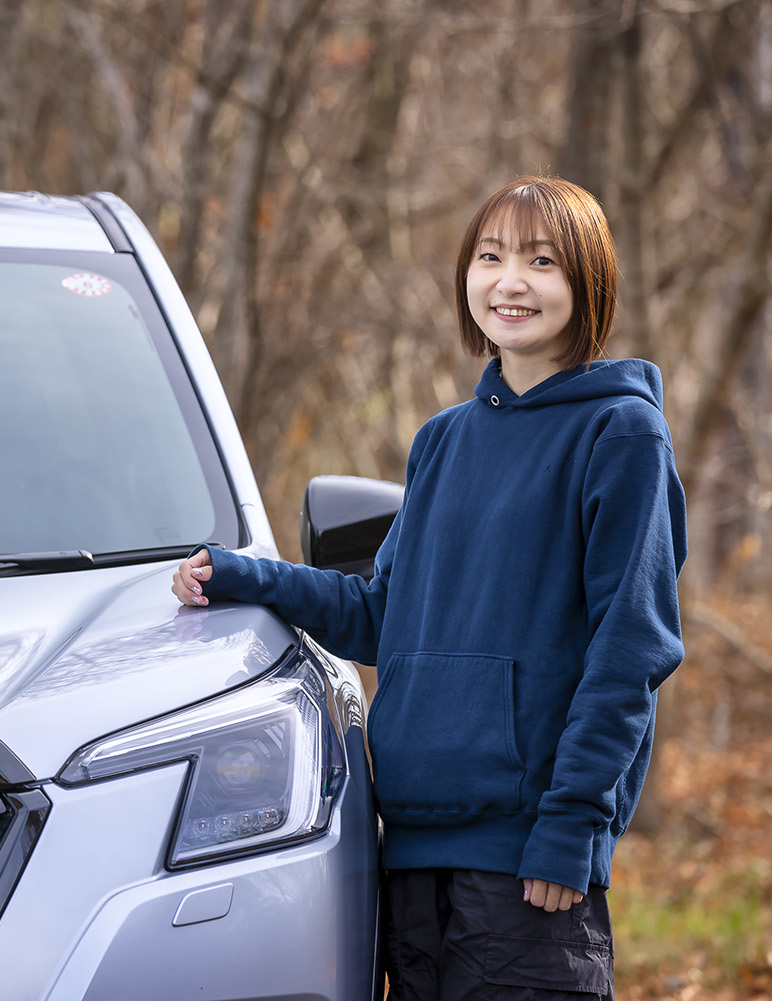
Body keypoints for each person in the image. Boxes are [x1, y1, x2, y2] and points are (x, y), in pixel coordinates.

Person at [172, 176, 686, 1001]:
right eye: (491, 257)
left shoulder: (619, 431)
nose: (509, 281)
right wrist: (245, 577)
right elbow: (382, 617)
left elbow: (629, 649)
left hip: (529, 864)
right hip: (409, 850)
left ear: (587, 282)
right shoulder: (443, 440)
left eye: (540, 262)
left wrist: (572, 827)